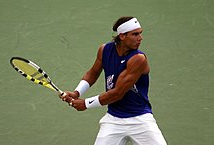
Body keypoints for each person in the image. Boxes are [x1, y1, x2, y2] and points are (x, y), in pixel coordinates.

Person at [60, 16, 167, 145]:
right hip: (114, 120)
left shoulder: (138, 59)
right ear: (122, 36)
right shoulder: (104, 50)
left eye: (140, 33)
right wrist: (77, 92)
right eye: (135, 34)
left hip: (140, 120)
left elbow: (117, 93)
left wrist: (86, 104)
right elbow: (93, 73)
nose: (140, 38)